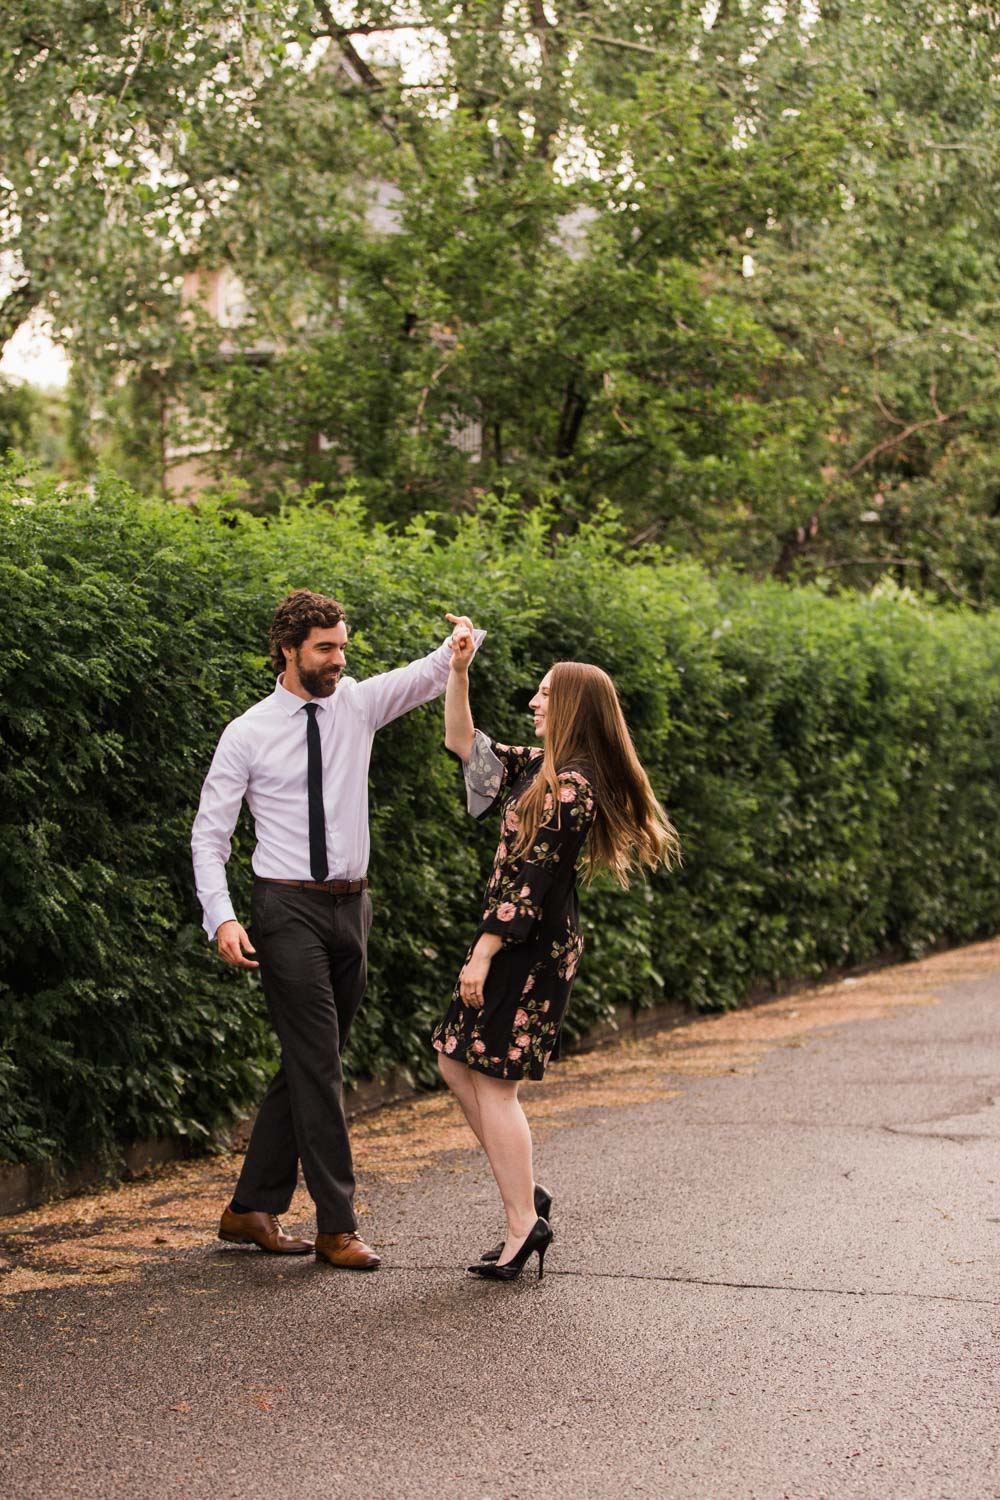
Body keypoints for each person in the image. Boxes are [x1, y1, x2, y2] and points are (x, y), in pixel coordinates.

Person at [192, 590, 481, 1270]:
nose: (337, 659)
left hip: (353, 910)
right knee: (319, 1063)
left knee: (307, 1063)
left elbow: (428, 672)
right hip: (284, 909)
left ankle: (248, 1209)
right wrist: (222, 915)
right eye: (325, 648)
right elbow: (210, 835)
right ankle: (336, 1225)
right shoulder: (248, 731)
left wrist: (462, 644)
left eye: (341, 646)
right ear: (288, 650)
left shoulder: (356, 704)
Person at [432, 629, 680, 1281]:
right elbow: (466, 745)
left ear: (570, 707)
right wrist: (458, 673)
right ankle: (525, 1195)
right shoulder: (539, 772)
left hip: (528, 946)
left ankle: (521, 1224)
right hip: (516, 940)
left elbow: (531, 881)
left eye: (544, 696)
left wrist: (481, 955)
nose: (534, 704)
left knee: (493, 1080)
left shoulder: (572, 786)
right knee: (455, 1063)